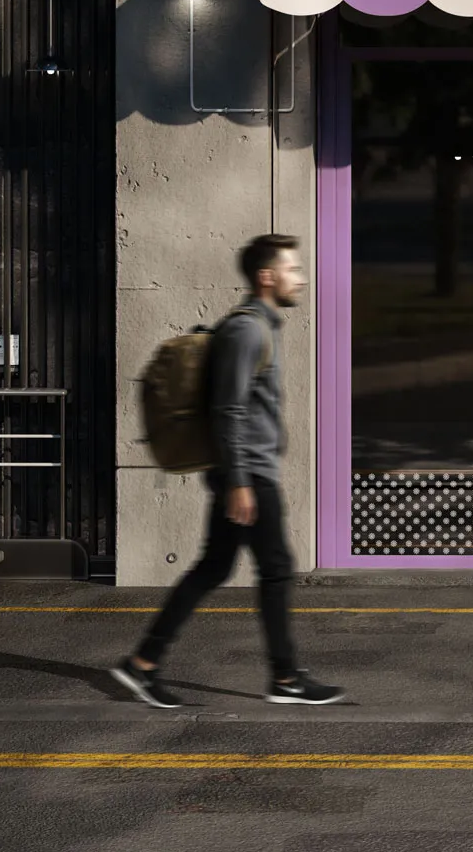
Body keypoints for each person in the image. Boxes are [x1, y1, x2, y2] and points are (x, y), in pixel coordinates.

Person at [111, 233, 345, 708]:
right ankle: (285, 679)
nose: (300, 278)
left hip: (245, 472)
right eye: (292, 269)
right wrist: (239, 481)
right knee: (276, 570)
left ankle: (143, 664)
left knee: (214, 567)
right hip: (247, 475)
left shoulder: (262, 326)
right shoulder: (247, 331)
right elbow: (228, 410)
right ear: (266, 276)